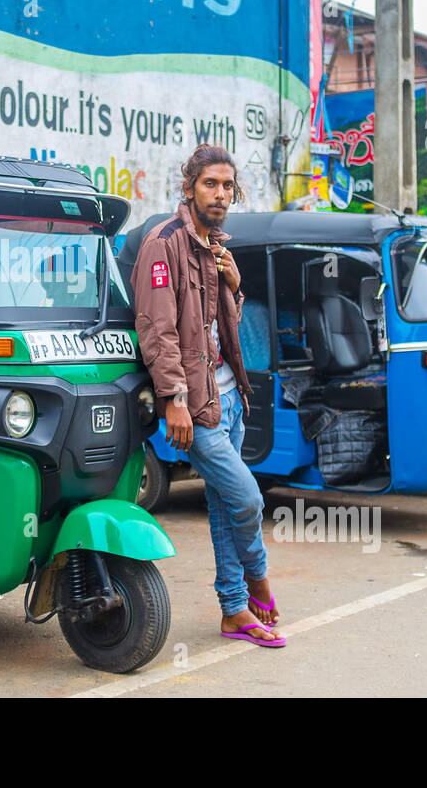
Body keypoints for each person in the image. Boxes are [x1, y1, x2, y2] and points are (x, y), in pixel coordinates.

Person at [130, 144, 285, 647]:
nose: (220, 194)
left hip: (229, 400)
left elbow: (222, 328)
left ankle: (234, 610)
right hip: (196, 408)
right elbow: (157, 328)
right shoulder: (164, 243)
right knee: (246, 498)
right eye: (210, 184)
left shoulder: (218, 247)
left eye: (226, 186)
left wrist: (234, 287)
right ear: (189, 186)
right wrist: (173, 397)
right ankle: (259, 583)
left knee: (222, 504)